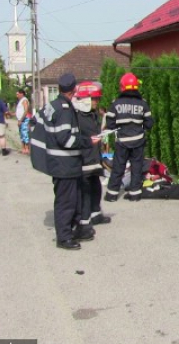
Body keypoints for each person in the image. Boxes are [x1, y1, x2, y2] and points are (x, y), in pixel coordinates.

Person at [40, 73, 100, 250]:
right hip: (65, 164)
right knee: (66, 202)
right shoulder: (65, 110)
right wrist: (88, 142)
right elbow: (65, 139)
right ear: (73, 91)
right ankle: (64, 238)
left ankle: (74, 230)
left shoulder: (52, 105)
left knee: (69, 200)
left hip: (58, 162)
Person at [104, 72, 154, 202]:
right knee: (136, 168)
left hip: (122, 142)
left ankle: (111, 195)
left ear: (122, 87)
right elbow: (149, 123)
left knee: (118, 167)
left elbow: (110, 123)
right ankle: (135, 195)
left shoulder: (116, 103)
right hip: (138, 141)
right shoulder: (143, 103)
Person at [73, 81, 111, 237]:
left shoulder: (92, 114)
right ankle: (84, 221)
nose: (97, 102)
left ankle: (96, 214)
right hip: (84, 159)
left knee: (96, 186)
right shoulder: (77, 116)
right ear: (86, 98)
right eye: (94, 99)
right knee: (85, 191)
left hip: (94, 158)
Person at [15, 89, 32, 155]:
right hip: (21, 120)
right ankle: (23, 148)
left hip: (25, 119)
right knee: (22, 134)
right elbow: (19, 111)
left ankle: (27, 148)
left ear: (21, 94)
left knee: (25, 134)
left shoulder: (24, 100)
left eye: (17, 94)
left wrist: (21, 120)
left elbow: (25, 110)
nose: (17, 95)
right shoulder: (20, 101)